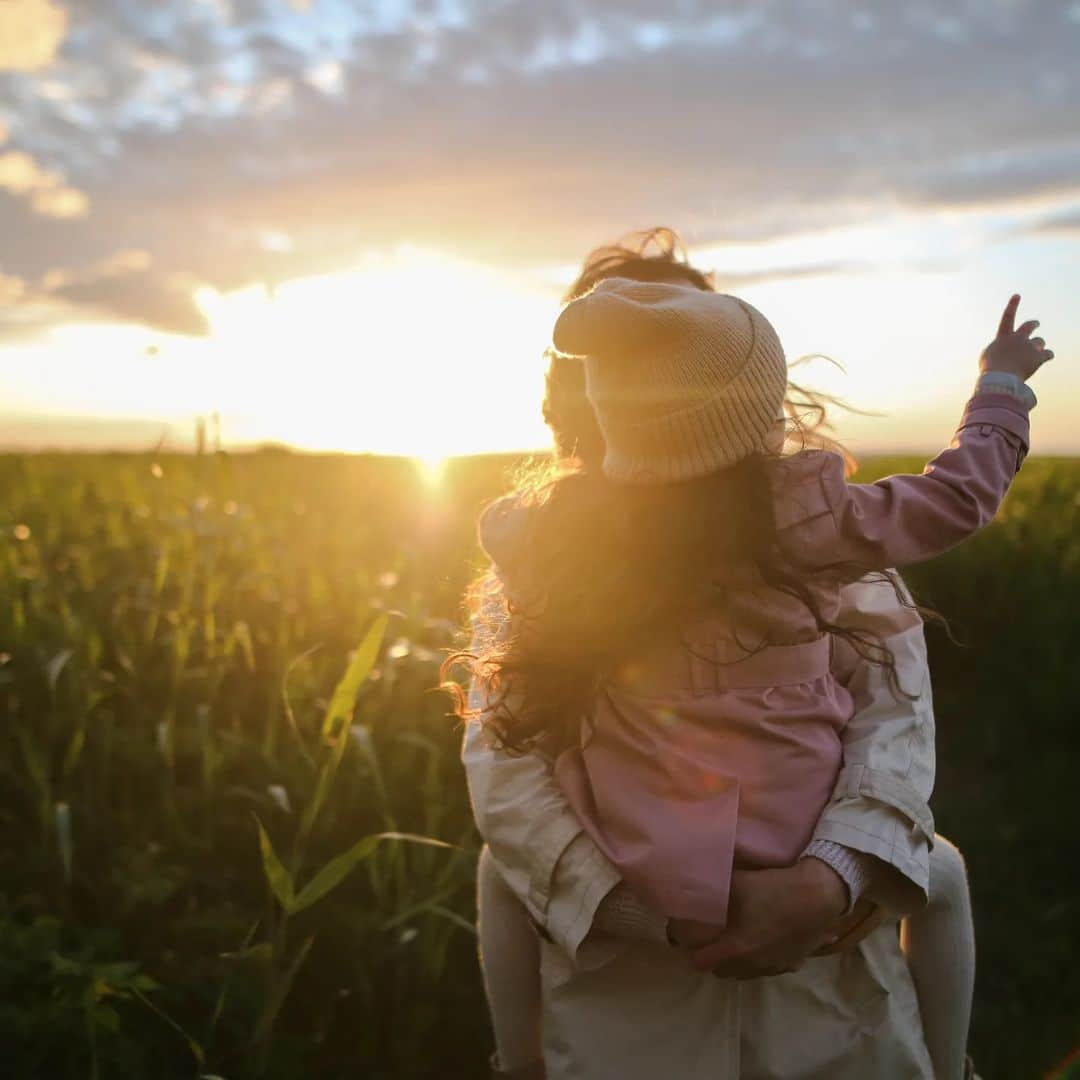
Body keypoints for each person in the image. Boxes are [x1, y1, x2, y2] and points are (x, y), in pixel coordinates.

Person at [454, 231, 1049, 1078]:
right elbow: (506, 772)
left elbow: (894, 720)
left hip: (827, 993)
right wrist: (999, 392)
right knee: (941, 870)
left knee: (497, 877)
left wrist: (827, 880)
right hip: (628, 996)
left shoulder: (552, 546)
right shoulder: (816, 526)